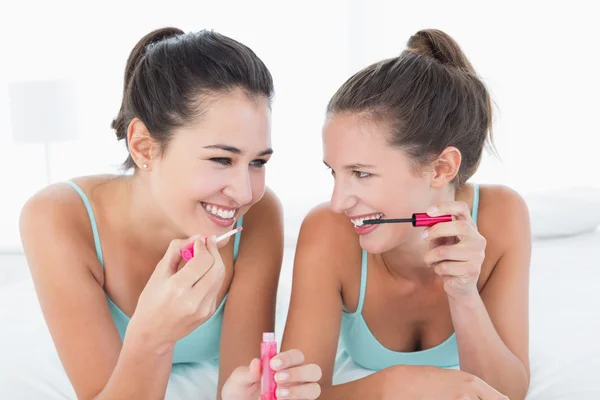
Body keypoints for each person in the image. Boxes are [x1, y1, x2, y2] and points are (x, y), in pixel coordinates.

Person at [20, 27, 321, 400]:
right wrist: (153, 337)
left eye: (257, 162)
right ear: (144, 146)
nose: (245, 193)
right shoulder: (57, 218)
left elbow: (241, 380)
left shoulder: (259, 214)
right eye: (221, 159)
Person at [281, 29, 530, 399]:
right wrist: (395, 385)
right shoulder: (327, 231)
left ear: (441, 168)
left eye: (362, 174)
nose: (338, 202)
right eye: (335, 172)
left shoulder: (503, 216)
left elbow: (507, 392)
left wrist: (463, 294)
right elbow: (292, 394)